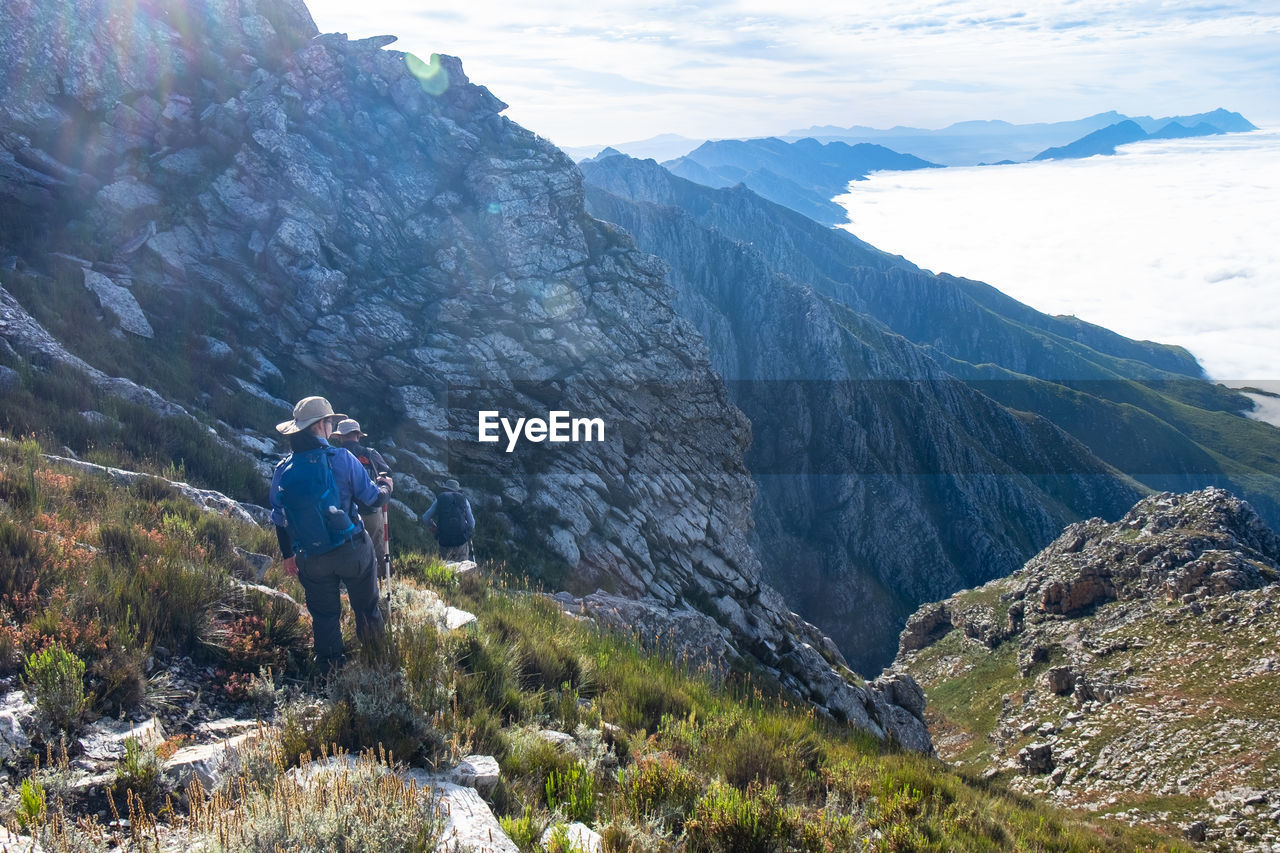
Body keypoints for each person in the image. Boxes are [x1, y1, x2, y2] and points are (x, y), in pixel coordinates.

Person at [270, 396, 393, 673]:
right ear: (322, 426)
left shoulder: (283, 469)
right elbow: (372, 498)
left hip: (311, 556)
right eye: (329, 422)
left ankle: (330, 672)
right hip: (352, 548)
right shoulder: (342, 458)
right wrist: (387, 487)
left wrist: (288, 555)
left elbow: (279, 516)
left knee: (324, 616)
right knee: (366, 608)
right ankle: (377, 664)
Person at [331, 418, 392, 571]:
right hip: (370, 507)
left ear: (339, 437)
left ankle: (350, 578)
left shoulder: (334, 456)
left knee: (348, 546)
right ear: (358, 436)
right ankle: (383, 578)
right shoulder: (370, 454)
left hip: (344, 511)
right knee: (377, 544)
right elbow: (387, 474)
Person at [421, 478, 474, 561]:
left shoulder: (440, 499)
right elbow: (472, 523)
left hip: (444, 540)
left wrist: (433, 525)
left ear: (445, 489)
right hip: (461, 540)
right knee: (462, 568)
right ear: (457, 490)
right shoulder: (464, 500)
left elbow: (425, 518)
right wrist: (467, 530)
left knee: (445, 567)